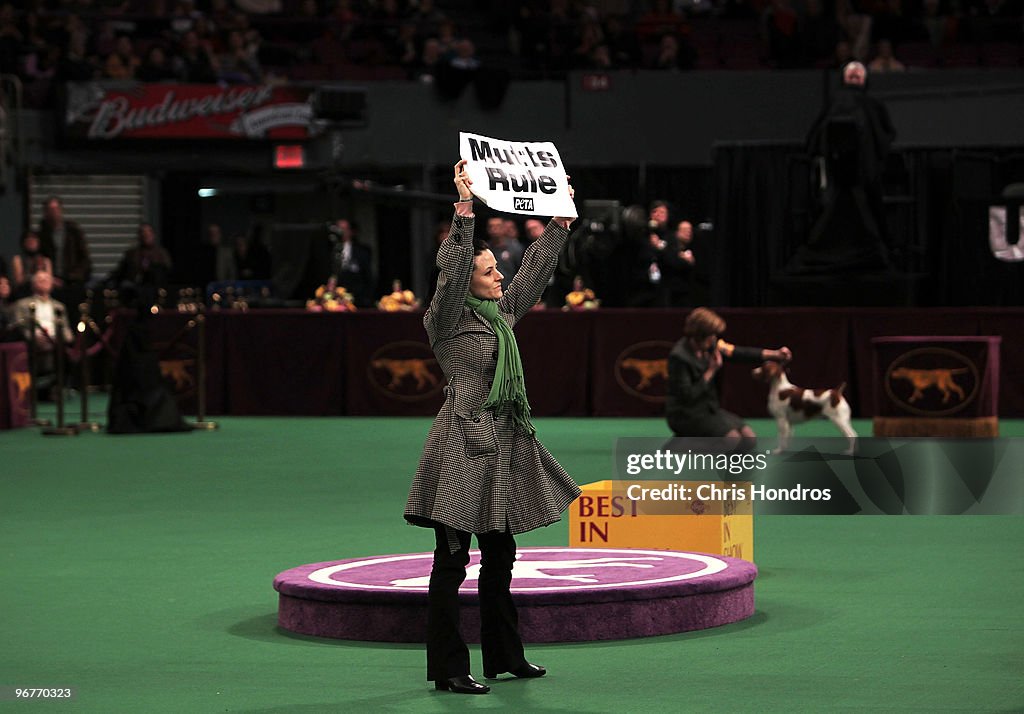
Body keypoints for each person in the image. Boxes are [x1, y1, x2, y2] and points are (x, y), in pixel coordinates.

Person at [404, 159, 581, 695]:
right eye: (489, 272)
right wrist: (464, 208)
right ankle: (450, 668)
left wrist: (559, 224)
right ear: (467, 282)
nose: (499, 277)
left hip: (503, 449)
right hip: (461, 451)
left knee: (501, 558)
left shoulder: (501, 317)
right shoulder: (447, 319)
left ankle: (505, 656)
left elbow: (532, 274)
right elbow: (453, 270)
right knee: (451, 564)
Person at [795, 60, 897, 274]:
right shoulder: (840, 103)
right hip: (845, 178)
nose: (854, 79)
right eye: (851, 75)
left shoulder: (867, 105)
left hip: (859, 177)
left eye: (857, 75)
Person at [666, 307, 791, 451]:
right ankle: (681, 447)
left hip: (709, 408)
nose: (714, 339)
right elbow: (687, 396)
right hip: (685, 414)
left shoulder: (711, 344)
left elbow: (740, 353)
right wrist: (711, 370)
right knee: (732, 440)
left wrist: (774, 354)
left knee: (749, 439)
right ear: (699, 335)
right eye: (711, 335)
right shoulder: (679, 357)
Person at [109, 223, 173, 306]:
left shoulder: (161, 254)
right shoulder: (132, 254)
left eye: (148, 234)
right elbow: (120, 272)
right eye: (143, 233)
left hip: (154, 291)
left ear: (153, 235)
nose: (145, 236)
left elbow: (167, 272)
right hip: (133, 291)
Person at [327, 218, 373, 307]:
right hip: (333, 300)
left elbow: (367, 277)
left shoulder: (362, 251)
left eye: (344, 229)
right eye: (338, 229)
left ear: (351, 231)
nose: (341, 232)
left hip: (357, 300)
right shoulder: (328, 250)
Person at [10, 230, 53, 298]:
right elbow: (19, 281)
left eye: (34, 239)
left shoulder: (45, 260)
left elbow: (49, 281)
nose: (31, 241)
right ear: (23, 242)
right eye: (28, 239)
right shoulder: (18, 259)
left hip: (42, 293)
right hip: (24, 292)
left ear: (38, 242)